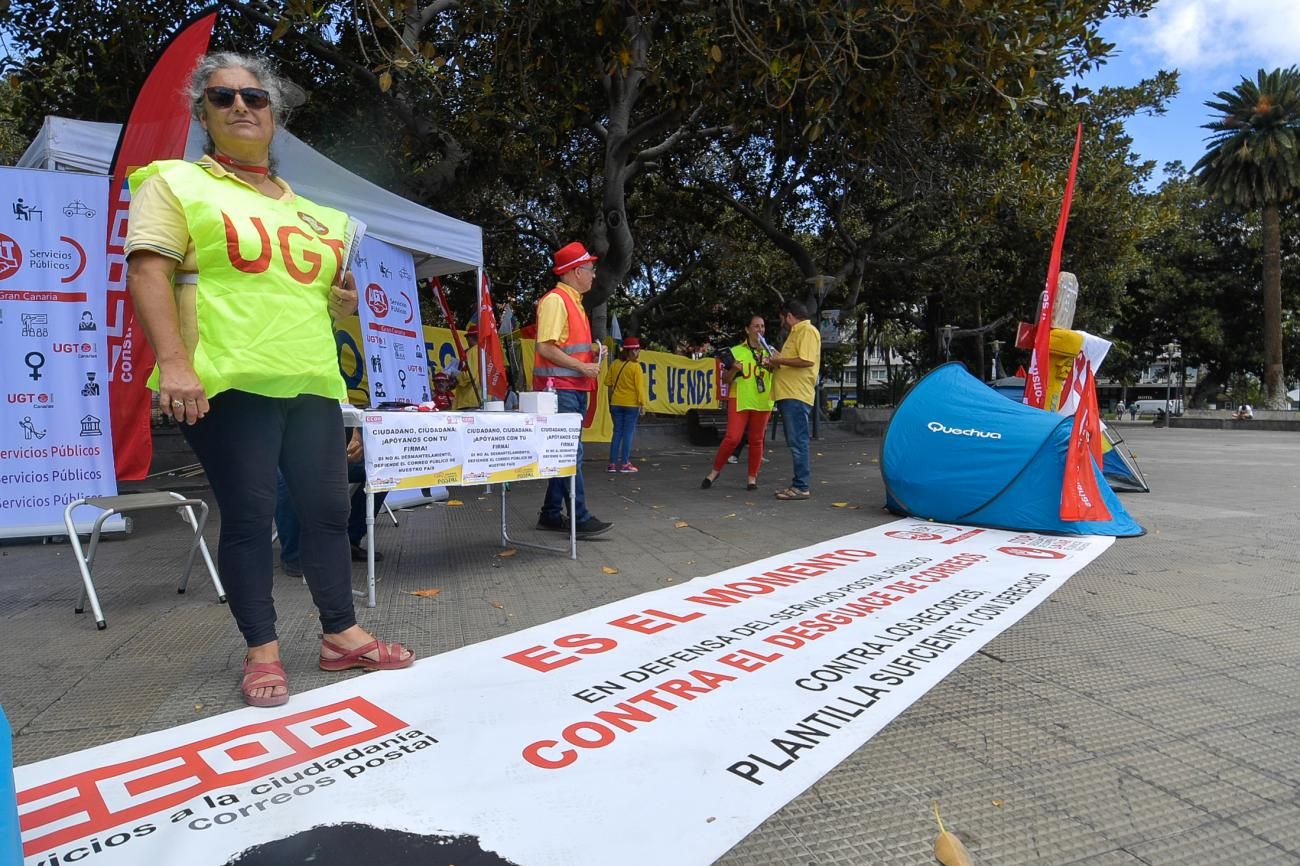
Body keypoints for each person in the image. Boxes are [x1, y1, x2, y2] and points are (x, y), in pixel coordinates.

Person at [125, 52, 413, 708]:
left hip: (310, 380)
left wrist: (341, 313)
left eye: (254, 97)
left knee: (328, 513)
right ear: (203, 112)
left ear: (275, 113)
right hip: (227, 379)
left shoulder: (321, 217)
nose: (240, 107)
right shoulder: (175, 182)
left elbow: (325, 302)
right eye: (222, 98)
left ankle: (341, 635)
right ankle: (262, 650)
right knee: (253, 516)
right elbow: (148, 273)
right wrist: (173, 363)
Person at [533, 241, 612, 537]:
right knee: (569, 453)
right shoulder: (557, 300)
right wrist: (582, 367)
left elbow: (562, 345)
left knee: (562, 452)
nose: (593, 274)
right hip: (560, 389)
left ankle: (551, 514)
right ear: (577, 271)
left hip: (569, 388)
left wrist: (590, 351)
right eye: (590, 269)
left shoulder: (571, 301)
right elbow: (545, 347)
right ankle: (579, 517)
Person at [277, 426, 389, 576]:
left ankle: (349, 540)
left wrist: (356, 432)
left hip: (335, 447)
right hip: (292, 449)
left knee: (384, 471)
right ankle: (293, 553)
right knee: (286, 476)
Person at [702, 315, 774, 491]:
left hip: (763, 400)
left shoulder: (771, 352)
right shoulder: (736, 351)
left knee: (756, 440)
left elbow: (780, 373)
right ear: (747, 329)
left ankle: (752, 478)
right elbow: (725, 380)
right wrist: (734, 368)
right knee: (732, 437)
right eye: (756, 326)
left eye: (762, 326)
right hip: (740, 398)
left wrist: (774, 363)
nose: (760, 330)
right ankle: (715, 471)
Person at [763, 299, 820, 500]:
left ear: (789, 315)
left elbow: (806, 360)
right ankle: (798, 484)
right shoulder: (796, 334)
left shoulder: (807, 331)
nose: (782, 323)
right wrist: (776, 360)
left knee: (798, 441)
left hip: (796, 394)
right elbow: (791, 363)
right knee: (795, 441)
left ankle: (801, 486)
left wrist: (778, 359)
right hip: (789, 393)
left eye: (782, 319)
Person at [606, 336, 646, 473]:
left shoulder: (615, 364)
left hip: (616, 403)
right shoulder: (636, 367)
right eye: (637, 349)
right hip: (631, 405)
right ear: (632, 351)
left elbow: (608, 382)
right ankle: (624, 464)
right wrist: (642, 404)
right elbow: (639, 388)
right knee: (627, 433)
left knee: (617, 432)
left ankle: (611, 464)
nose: (638, 351)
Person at [452, 324, 482, 409]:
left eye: (467, 338)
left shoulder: (472, 351)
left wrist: (456, 377)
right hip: (482, 399)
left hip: (468, 400)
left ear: (470, 338)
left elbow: (468, 375)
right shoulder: (486, 352)